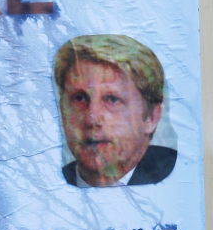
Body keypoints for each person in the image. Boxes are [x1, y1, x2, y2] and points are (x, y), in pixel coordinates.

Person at [54, 34, 176, 187]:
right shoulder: (47, 180)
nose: (92, 118)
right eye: (79, 98)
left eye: (112, 100)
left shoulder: (176, 178)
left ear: (151, 116)